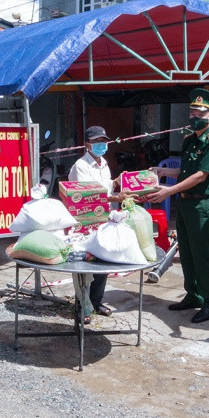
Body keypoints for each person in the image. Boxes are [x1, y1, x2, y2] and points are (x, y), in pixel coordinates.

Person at [146, 88, 209, 324]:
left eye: (199, 112)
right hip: (186, 203)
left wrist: (169, 190)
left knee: (202, 255)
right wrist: (161, 172)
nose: (194, 116)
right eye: (191, 112)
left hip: (203, 205)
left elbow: (201, 175)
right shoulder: (190, 140)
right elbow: (184, 171)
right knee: (187, 253)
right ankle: (194, 295)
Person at [67, 126, 131, 323]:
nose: (101, 145)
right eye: (96, 142)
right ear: (87, 145)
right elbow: (89, 195)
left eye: (103, 141)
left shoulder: (103, 163)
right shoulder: (81, 166)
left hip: (104, 218)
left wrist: (117, 181)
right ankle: (82, 306)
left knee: (104, 259)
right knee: (85, 264)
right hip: (86, 220)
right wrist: (115, 196)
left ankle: (96, 302)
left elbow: (104, 185)